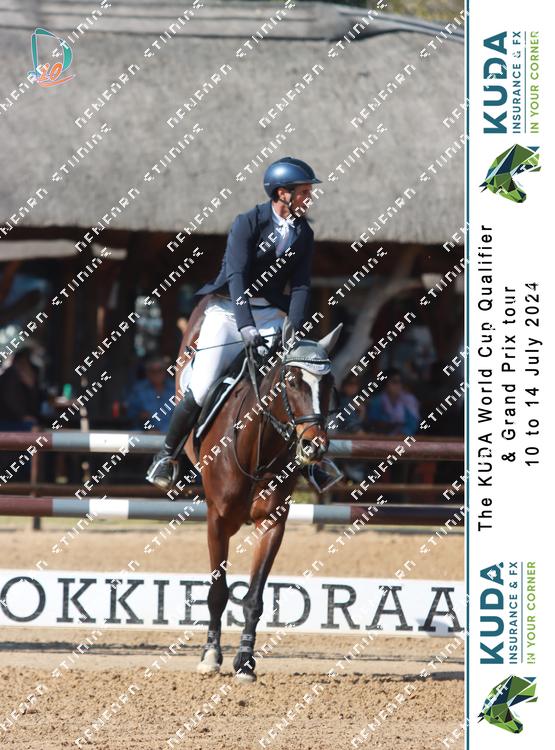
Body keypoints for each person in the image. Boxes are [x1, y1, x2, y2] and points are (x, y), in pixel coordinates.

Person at [146, 157, 322, 490]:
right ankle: (167, 456)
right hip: (229, 312)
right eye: (304, 192)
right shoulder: (248, 223)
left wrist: (294, 329)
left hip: (271, 314)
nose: (309, 197)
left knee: (297, 379)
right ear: (282, 193)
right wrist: (245, 326)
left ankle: (311, 461)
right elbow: (237, 277)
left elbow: (301, 285)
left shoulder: (304, 233)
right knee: (202, 386)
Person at [125, 355, 175, 432]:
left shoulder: (175, 388)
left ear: (165, 371)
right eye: (153, 371)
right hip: (144, 434)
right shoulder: (138, 389)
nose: (156, 374)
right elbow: (130, 413)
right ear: (147, 372)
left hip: (171, 435)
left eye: (160, 370)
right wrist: (140, 415)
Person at [365, 367, 420, 436]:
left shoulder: (408, 400)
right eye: (394, 382)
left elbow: (412, 424)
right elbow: (373, 423)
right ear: (385, 383)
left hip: (403, 439)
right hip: (382, 438)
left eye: (401, 381)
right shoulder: (376, 401)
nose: (399, 385)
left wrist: (402, 433)